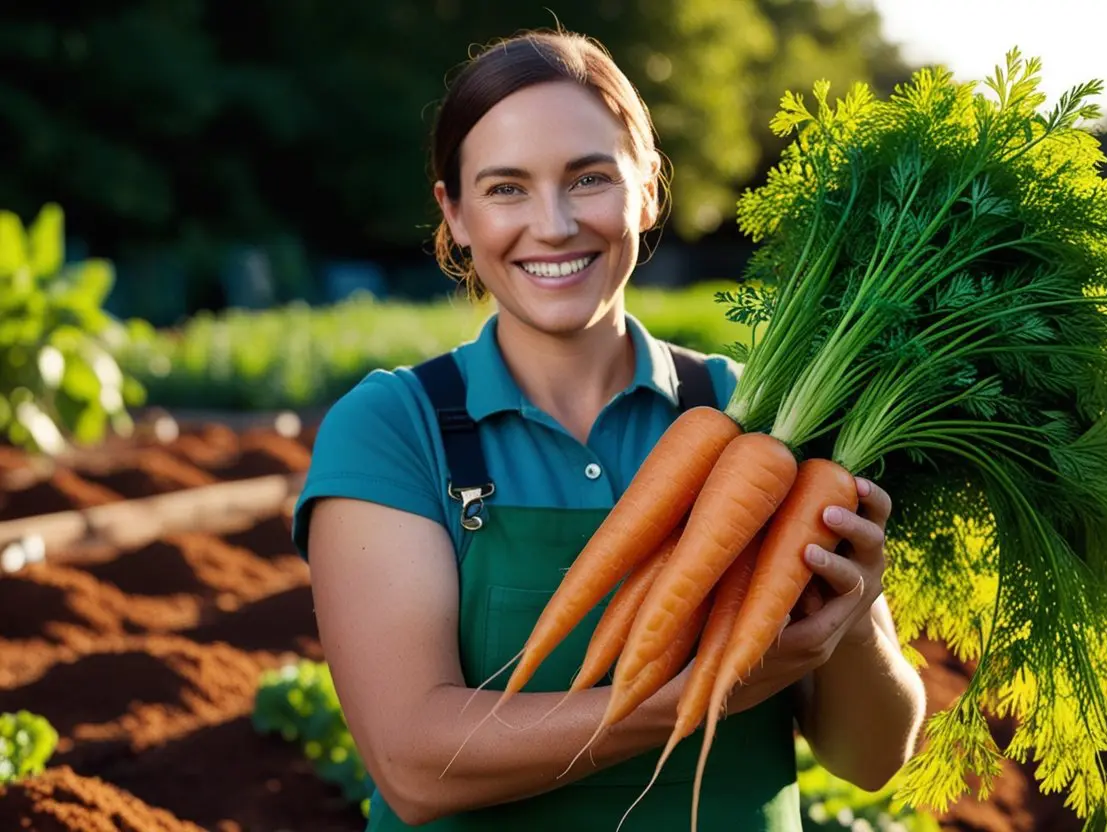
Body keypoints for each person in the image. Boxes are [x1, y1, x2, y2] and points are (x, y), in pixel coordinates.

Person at [292, 29, 927, 831]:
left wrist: (858, 617)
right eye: (505, 189)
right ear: (453, 214)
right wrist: (710, 691)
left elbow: (871, 760)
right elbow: (417, 767)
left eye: (588, 178)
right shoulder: (395, 429)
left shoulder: (766, 423)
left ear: (647, 190)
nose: (553, 225)